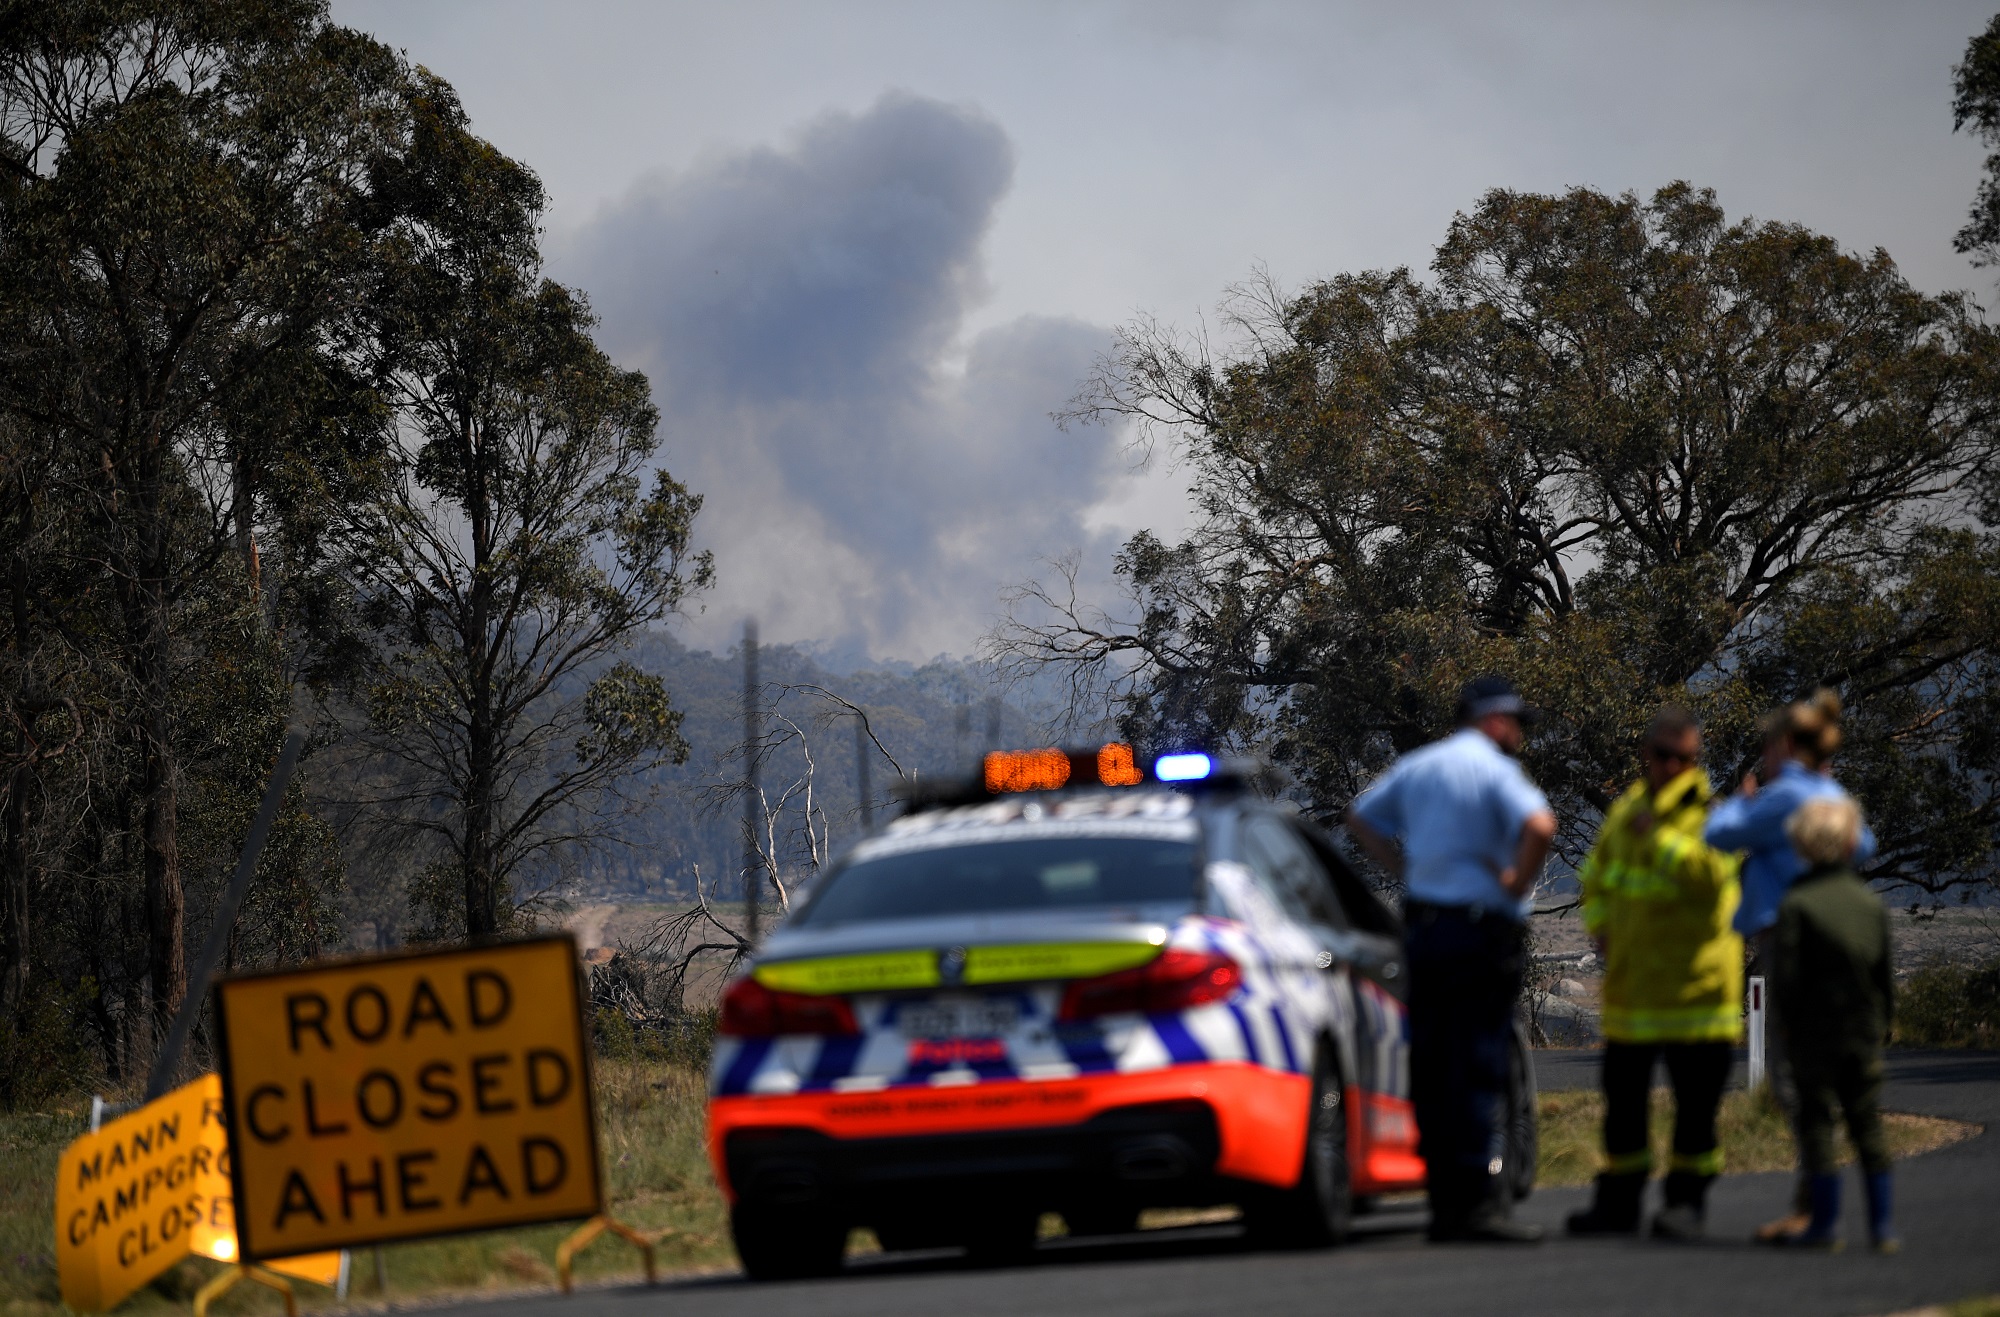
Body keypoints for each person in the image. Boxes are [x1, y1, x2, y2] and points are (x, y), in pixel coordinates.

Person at [1347, 674, 1558, 1244]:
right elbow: (1541, 825)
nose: (1517, 734)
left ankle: (1443, 1199)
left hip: (1425, 929)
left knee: (1435, 1061)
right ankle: (1476, 1203)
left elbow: (1361, 817)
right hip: (1481, 931)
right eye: (1514, 722)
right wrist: (1516, 882)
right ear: (1492, 720)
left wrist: (1404, 871)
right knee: (1480, 1060)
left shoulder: (1419, 767)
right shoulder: (1496, 770)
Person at [1704, 688, 1876, 1240]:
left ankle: (1814, 1206)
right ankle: (1834, 1205)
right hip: (1837, 936)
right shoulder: (1830, 792)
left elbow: (1719, 835)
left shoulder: (1778, 799)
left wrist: (1742, 801)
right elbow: (1863, 845)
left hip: (1788, 941)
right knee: (1823, 1068)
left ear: (1782, 746)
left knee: (1790, 1072)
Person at [1565, 707, 1742, 1241]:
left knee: (1695, 1110)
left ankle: (1685, 1205)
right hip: (1633, 992)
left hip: (1696, 994)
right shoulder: (1625, 811)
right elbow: (1595, 877)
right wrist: (1599, 928)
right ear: (1647, 754)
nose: (1672, 766)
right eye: (1663, 755)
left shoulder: (1714, 814)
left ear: (1695, 761)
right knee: (1623, 1108)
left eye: (1684, 758)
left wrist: (1658, 838)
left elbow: (1711, 877)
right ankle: (1618, 1204)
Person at [1767, 794, 1897, 1252]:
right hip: (1862, 1032)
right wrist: (1883, 1025)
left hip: (1813, 1035)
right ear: (1848, 844)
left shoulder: (1798, 903)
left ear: (1802, 845)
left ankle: (1825, 1226)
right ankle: (1882, 1229)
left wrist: (1786, 1025)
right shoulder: (1870, 906)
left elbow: (1786, 979)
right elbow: (1884, 978)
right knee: (1868, 1125)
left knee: (1818, 1124)